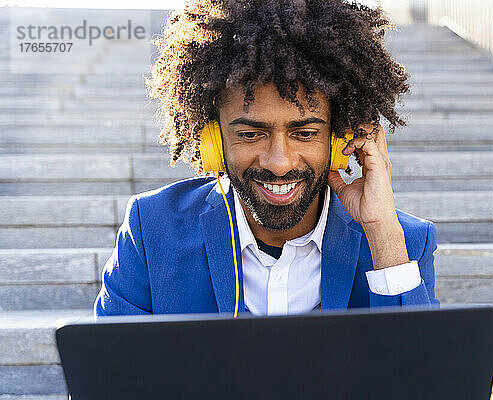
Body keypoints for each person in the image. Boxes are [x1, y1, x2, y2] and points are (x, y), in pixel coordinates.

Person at [94, 0, 438, 317]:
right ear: (213, 139)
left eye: (304, 133)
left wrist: (383, 236)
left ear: (339, 139)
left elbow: (425, 380)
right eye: (250, 134)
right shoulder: (152, 230)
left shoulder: (403, 242)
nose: (279, 162)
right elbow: (105, 378)